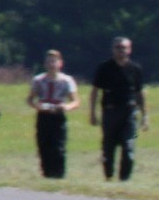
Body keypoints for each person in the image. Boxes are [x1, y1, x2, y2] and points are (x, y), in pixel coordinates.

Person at [90, 37, 147, 181]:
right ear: (113, 50)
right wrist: (92, 113)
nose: (121, 50)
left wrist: (145, 115)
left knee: (129, 146)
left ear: (129, 49)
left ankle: (124, 179)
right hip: (110, 113)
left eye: (124, 47)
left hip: (130, 114)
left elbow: (140, 93)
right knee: (108, 146)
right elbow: (95, 91)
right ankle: (109, 175)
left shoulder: (135, 69)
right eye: (118, 47)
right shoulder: (105, 68)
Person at [27, 49, 79, 179]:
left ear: (60, 63)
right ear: (45, 64)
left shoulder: (67, 80)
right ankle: (47, 173)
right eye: (49, 62)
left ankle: (59, 174)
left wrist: (66, 107)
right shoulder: (38, 80)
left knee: (58, 146)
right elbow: (30, 99)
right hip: (44, 116)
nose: (52, 65)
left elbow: (76, 101)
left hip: (58, 116)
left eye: (54, 61)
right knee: (44, 145)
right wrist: (38, 106)